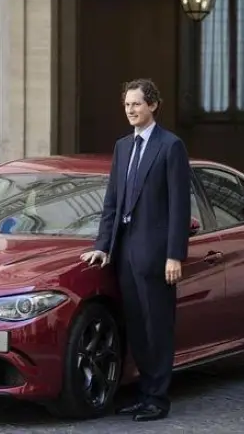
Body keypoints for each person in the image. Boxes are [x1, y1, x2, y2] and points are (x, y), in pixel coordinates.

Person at [80, 78, 190, 422]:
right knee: (137, 328)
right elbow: (111, 202)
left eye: (137, 104)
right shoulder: (121, 148)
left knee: (157, 326)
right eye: (127, 105)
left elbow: (179, 207)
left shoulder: (171, 146)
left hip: (157, 256)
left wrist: (175, 254)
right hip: (124, 253)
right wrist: (102, 246)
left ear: (153, 105)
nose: (131, 110)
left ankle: (158, 399)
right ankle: (144, 393)